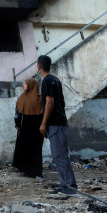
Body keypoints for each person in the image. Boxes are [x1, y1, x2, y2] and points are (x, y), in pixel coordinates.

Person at [37, 55, 78, 195]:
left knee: (60, 156)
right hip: (59, 121)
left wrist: (44, 123)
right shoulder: (55, 80)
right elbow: (62, 101)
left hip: (55, 123)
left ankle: (69, 187)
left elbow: (50, 102)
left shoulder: (47, 81)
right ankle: (65, 185)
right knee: (60, 155)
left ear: (38, 66)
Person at [12, 78, 44, 182]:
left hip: (37, 127)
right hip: (24, 126)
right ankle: (24, 169)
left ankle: (36, 172)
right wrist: (17, 123)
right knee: (23, 147)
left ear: (31, 85)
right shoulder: (22, 97)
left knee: (36, 149)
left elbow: (44, 114)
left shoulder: (40, 99)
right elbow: (17, 112)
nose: (23, 86)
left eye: (25, 84)